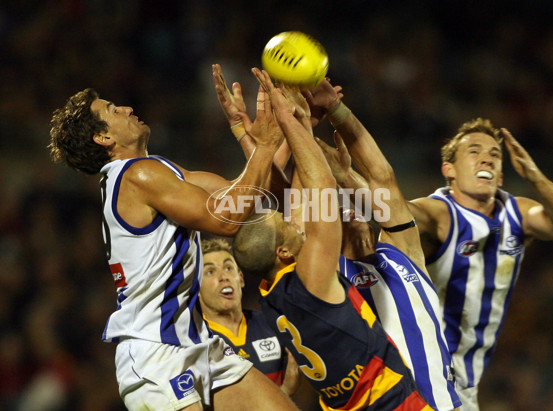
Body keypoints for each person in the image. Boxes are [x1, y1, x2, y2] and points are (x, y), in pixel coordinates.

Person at [48, 82, 300, 410]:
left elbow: (256, 197)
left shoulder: (159, 170)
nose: (125, 109)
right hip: (155, 353)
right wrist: (264, 147)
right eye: (113, 110)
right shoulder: (137, 176)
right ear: (104, 138)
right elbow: (226, 220)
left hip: (197, 344)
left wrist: (256, 132)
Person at [232, 68, 433, 410]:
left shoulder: (278, 292)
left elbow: (304, 203)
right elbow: (317, 195)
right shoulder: (317, 274)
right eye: (289, 227)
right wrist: (295, 121)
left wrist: (265, 135)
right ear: (285, 250)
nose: (296, 225)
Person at [403, 118, 553, 409]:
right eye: (473, 151)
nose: (486, 157)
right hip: (420, 370)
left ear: (500, 176)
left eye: (495, 154)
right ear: (449, 170)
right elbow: (393, 211)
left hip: (465, 382)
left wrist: (535, 176)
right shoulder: (438, 212)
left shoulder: (516, 212)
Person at [305, 79, 461, 410]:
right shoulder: (325, 273)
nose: (349, 206)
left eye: (350, 200)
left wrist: (337, 110)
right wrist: (301, 130)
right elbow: (310, 205)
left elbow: (383, 178)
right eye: (337, 202)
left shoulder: (401, 252)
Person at [198, 237, 300, 396]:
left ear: (241, 278)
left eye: (228, 268)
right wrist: (284, 392)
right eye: (210, 271)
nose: (223, 276)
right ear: (196, 287)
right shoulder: (194, 343)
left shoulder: (272, 323)